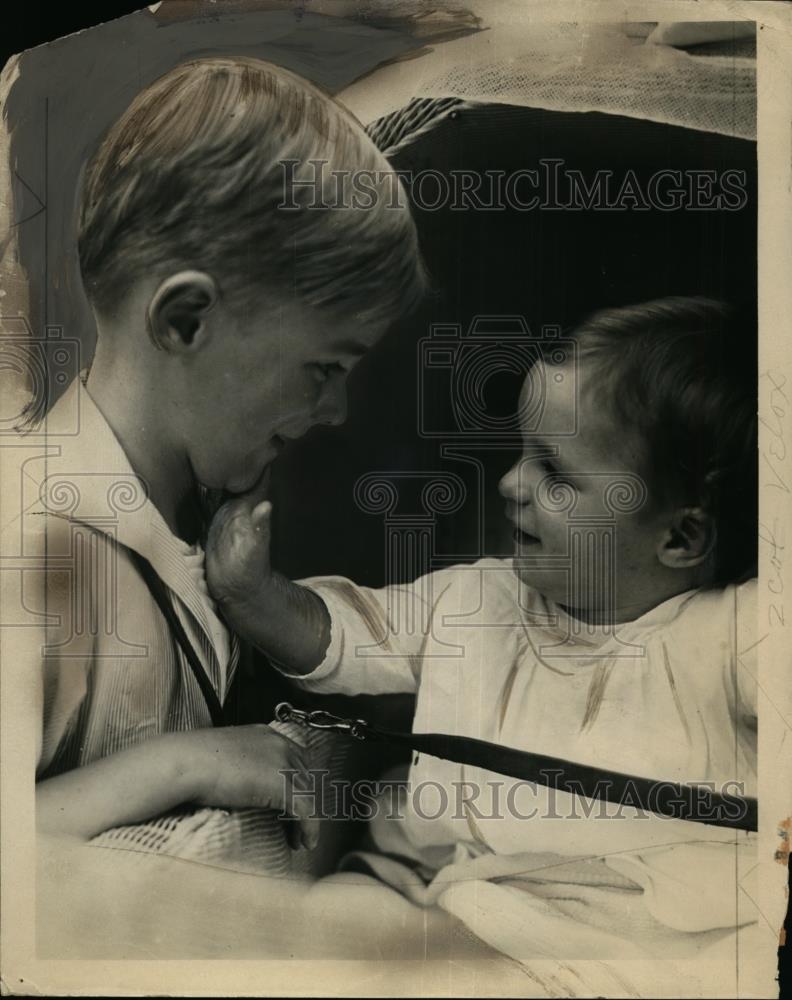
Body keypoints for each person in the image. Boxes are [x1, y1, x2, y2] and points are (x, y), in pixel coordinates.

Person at [205, 296, 760, 975]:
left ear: (680, 536)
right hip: (456, 891)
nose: (510, 483)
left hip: (626, 941)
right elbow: (349, 637)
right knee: (338, 911)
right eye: (523, 453)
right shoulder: (478, 602)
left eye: (554, 473)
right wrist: (255, 596)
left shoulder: (732, 636)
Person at [2, 56, 426, 857]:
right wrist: (182, 765)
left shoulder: (188, 525)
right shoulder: (33, 554)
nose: (335, 411)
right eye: (324, 369)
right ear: (187, 320)